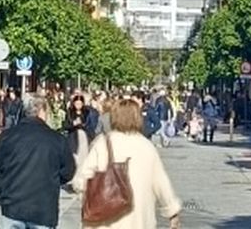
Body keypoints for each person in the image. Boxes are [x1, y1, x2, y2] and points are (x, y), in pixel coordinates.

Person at [75, 97, 183, 229]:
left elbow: (82, 180)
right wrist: (172, 211)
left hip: (104, 219)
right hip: (138, 220)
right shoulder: (146, 146)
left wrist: (86, 196)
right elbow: (161, 182)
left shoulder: (102, 143)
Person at [0, 94, 75, 229]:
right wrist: (52, 181)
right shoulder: (57, 140)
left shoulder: (7, 137)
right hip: (43, 208)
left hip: (12, 206)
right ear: (42, 111)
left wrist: (1, 194)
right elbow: (68, 172)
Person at [66, 95, 93, 172]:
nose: (78, 105)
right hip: (73, 136)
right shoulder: (70, 113)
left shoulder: (87, 112)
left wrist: (83, 124)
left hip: (84, 136)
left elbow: (90, 125)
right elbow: (66, 125)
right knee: (74, 156)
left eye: (80, 104)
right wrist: (73, 124)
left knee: (84, 154)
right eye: (76, 104)